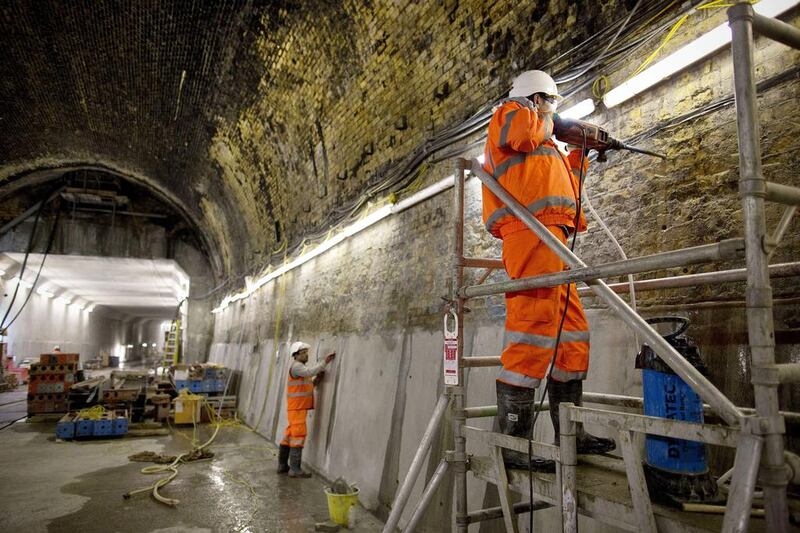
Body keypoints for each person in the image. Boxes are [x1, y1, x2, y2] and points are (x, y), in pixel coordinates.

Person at [481, 70, 615, 472]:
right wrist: (553, 122)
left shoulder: (544, 139)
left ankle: (571, 433)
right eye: (551, 103)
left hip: (553, 236)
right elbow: (522, 135)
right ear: (536, 98)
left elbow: (562, 188)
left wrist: (582, 154)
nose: (554, 111)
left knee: (571, 332)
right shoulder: (511, 113)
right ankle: (513, 444)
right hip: (528, 233)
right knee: (533, 329)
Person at [277, 341, 335, 478]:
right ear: (295, 355)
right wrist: (324, 362)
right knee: (298, 435)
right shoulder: (297, 367)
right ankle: (295, 469)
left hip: (297, 408)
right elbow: (310, 371)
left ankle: (282, 465)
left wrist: (317, 380)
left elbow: (307, 386)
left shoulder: (300, 369)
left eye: (306, 353)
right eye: (303, 353)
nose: (306, 355)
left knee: (289, 436)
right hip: (297, 408)